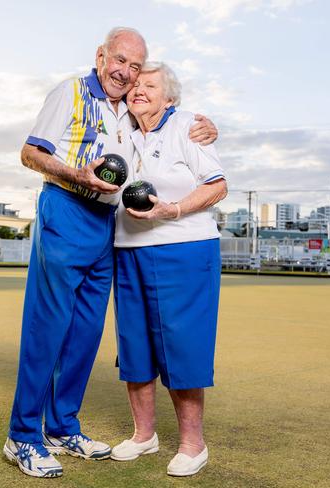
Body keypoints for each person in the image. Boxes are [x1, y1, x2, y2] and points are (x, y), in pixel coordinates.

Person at [3, 27, 218, 478]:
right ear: (100, 56)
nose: (125, 73)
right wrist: (77, 174)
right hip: (66, 207)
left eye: (135, 67)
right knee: (49, 326)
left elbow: (173, 124)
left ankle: (61, 426)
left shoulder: (129, 107)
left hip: (107, 224)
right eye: (119, 61)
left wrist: (207, 126)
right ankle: (22, 435)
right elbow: (29, 152)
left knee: (85, 331)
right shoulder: (71, 92)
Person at [109, 62, 227, 477]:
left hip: (184, 247)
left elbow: (216, 185)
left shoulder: (189, 125)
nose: (139, 88)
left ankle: (193, 445)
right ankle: (144, 435)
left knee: (182, 345)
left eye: (150, 85)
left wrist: (172, 209)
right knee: (135, 344)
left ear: (169, 98)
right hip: (127, 248)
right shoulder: (118, 126)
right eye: (135, 84)